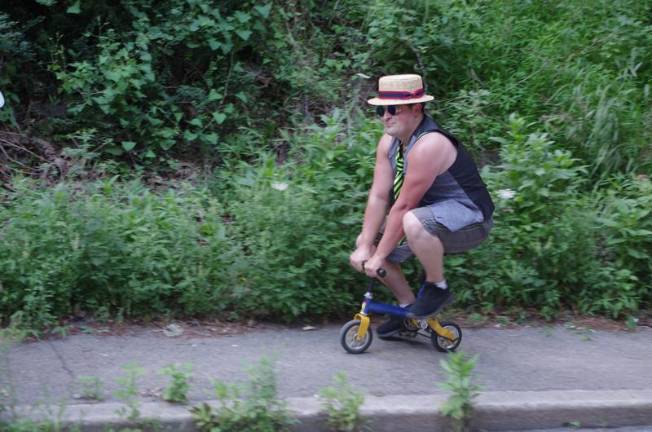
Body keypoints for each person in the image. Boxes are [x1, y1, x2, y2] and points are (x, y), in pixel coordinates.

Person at [349, 74, 494, 339]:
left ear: (417, 109)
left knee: (412, 222)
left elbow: (403, 206)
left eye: (393, 109)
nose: (385, 116)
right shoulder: (389, 142)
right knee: (369, 242)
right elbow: (379, 197)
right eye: (382, 109)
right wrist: (365, 246)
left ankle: (437, 287)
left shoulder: (430, 144)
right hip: (425, 216)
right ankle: (409, 312)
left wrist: (380, 256)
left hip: (470, 219)